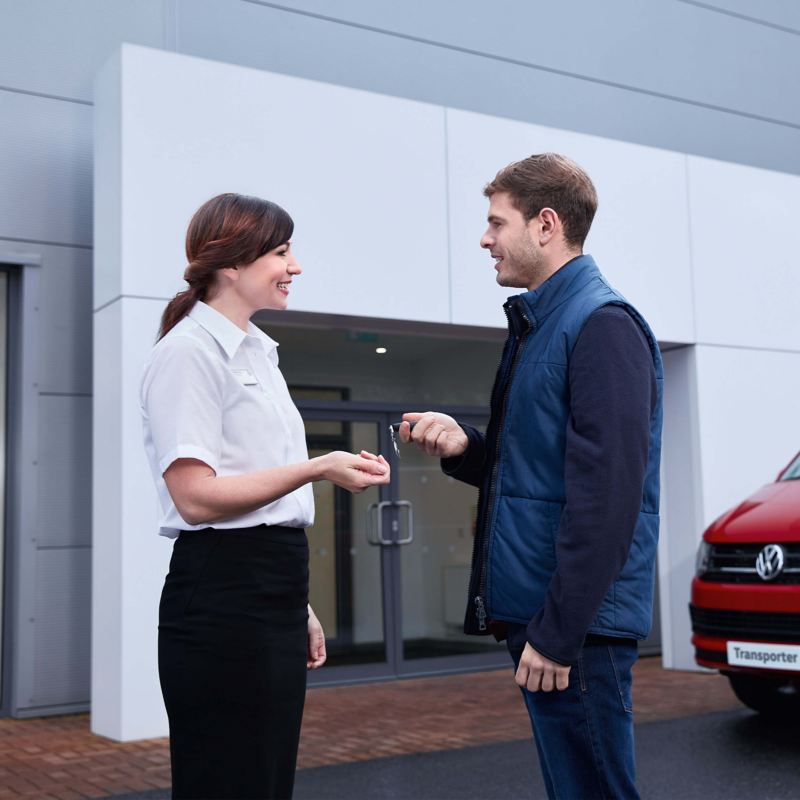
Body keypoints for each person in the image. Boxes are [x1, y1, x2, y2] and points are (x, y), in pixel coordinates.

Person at [399, 154, 662, 799]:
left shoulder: (601, 326)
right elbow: (540, 475)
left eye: (496, 222)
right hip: (554, 621)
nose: (485, 239)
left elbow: (607, 498)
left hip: (575, 630)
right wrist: (467, 447)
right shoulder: (544, 325)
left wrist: (557, 633)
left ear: (546, 225)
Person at [140, 193, 391, 800]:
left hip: (268, 589)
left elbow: (258, 496)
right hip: (223, 598)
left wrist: (294, 603)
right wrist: (319, 467)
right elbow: (196, 498)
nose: (295, 266)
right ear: (231, 263)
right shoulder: (187, 354)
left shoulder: (260, 352)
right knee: (228, 783)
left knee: (265, 780)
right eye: (281, 252)